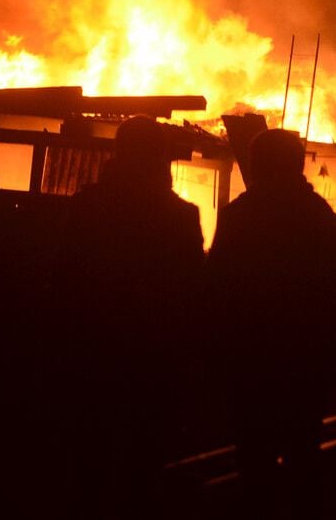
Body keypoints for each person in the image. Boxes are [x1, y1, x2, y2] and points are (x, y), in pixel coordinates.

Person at [50, 115, 205, 519]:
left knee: (88, 458)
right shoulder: (181, 216)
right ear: (162, 160)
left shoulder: (88, 207)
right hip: (153, 358)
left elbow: (65, 278)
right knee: (143, 460)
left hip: (93, 351)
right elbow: (193, 292)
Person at [206, 129, 336, 520]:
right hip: (306, 361)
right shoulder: (324, 221)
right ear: (297, 164)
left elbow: (217, 287)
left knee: (254, 455)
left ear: (257, 166)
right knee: (302, 450)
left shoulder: (239, 216)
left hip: (251, 359)